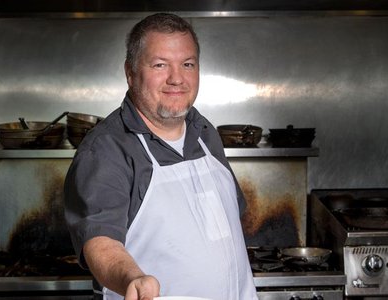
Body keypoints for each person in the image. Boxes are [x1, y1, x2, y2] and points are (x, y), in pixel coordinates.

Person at [64, 12, 258, 300]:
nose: (176, 78)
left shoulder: (204, 133)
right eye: (160, 65)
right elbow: (100, 242)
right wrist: (134, 278)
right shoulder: (107, 149)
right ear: (130, 73)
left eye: (188, 64)